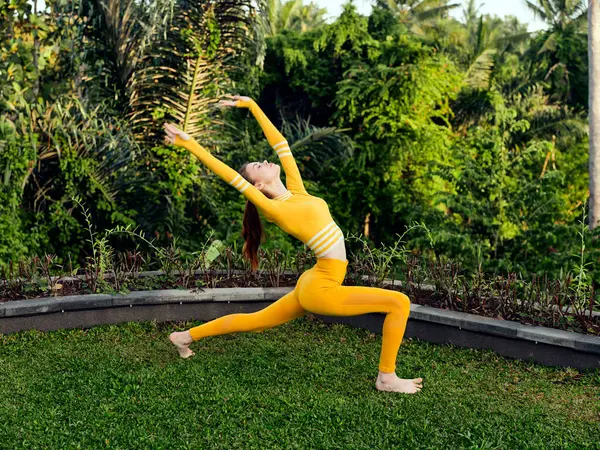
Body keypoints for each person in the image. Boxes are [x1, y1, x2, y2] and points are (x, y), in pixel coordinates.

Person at [165, 96, 422, 393]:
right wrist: (190, 143)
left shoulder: (296, 191)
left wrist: (252, 106)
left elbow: (282, 144)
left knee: (256, 321)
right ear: (258, 186)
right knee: (399, 302)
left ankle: (184, 337)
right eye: (257, 166)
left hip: (314, 278)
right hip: (321, 288)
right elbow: (232, 177)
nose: (264, 161)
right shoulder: (276, 209)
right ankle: (386, 378)